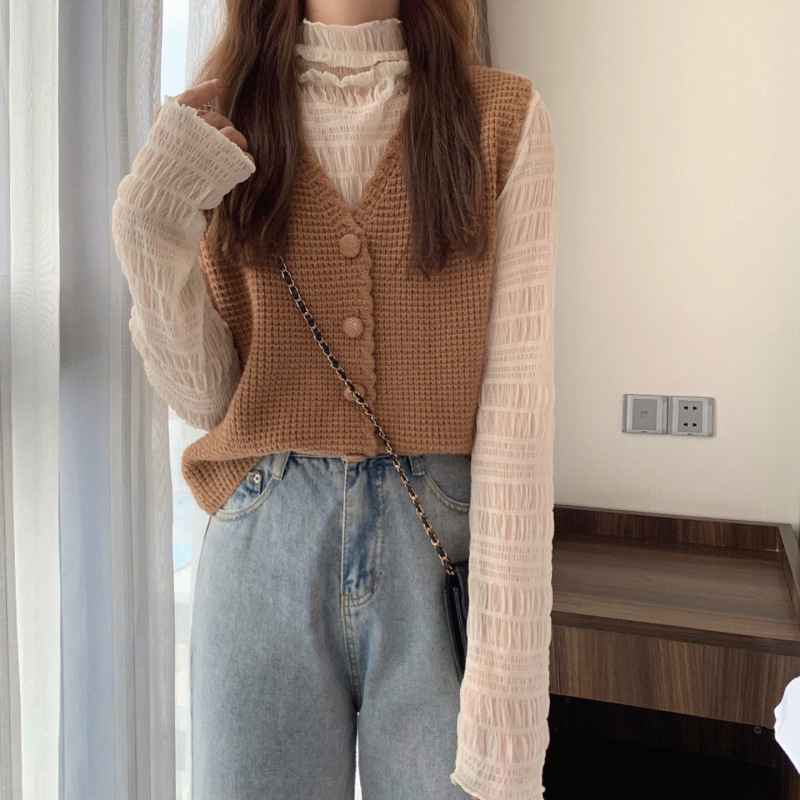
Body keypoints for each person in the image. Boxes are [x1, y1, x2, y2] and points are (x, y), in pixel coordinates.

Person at [111, 1, 558, 798]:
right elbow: (210, 400)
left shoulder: (503, 118)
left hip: (442, 558)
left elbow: (518, 424)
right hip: (263, 541)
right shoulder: (228, 119)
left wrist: (510, 697)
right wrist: (149, 229)